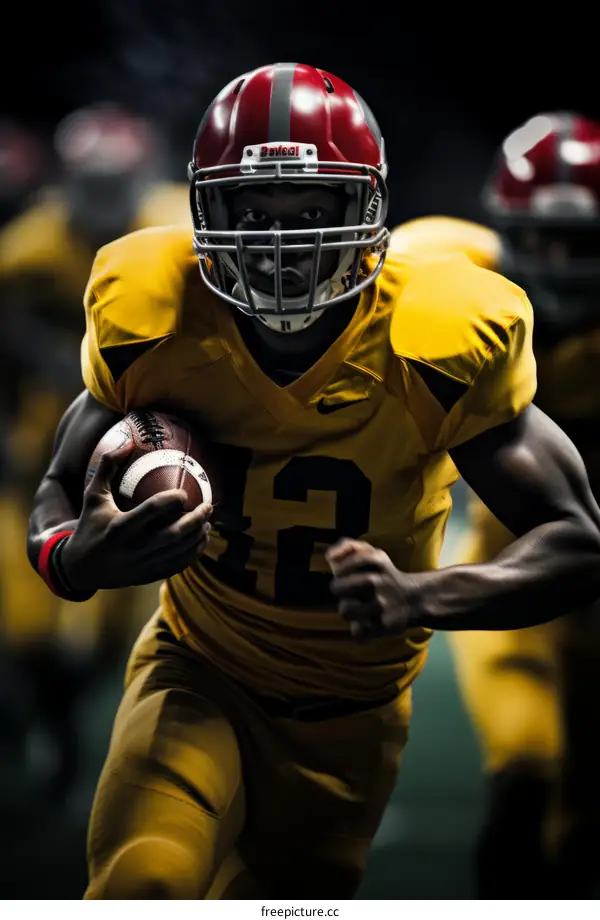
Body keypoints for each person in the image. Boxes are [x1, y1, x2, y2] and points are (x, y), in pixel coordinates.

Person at [27, 69, 600, 899]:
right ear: (206, 210)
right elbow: (57, 485)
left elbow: (578, 542)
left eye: (309, 211)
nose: (281, 244)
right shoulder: (156, 315)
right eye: (253, 212)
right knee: (141, 886)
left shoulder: (435, 336)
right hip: (199, 671)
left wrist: (419, 597)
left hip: (351, 717)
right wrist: (73, 559)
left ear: (367, 209)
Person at [390, 112, 600, 897]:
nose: (560, 261)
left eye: (581, 241)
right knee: (524, 770)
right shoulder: (450, 277)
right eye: (542, 236)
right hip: (512, 572)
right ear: (504, 228)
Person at [0, 103, 189, 805]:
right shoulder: (27, 251)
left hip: (140, 454)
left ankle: (68, 723)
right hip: (41, 456)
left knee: (125, 624)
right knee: (26, 622)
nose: (105, 197)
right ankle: (51, 730)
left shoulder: (175, 234)